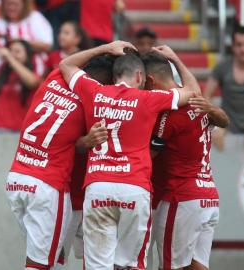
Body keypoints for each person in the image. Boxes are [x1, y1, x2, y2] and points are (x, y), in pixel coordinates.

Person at [59, 41, 195, 270]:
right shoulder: (149, 99)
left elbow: (66, 64)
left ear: (114, 77)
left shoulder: (95, 92)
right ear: (140, 76)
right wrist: (174, 59)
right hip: (134, 188)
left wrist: (105, 48)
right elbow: (192, 92)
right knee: (132, 264)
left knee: (97, 265)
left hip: (98, 187)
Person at [6, 55, 117, 270]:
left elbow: (67, 62)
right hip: (48, 186)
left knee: (48, 257)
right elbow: (77, 143)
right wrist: (88, 141)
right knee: (40, 263)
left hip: (17, 179)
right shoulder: (92, 101)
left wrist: (106, 48)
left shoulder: (54, 79)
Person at [144, 46, 229, 270]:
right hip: (208, 196)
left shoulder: (169, 113)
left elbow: (149, 156)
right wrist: (175, 57)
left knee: (172, 266)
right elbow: (223, 120)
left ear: (150, 81)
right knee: (197, 266)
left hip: (181, 198)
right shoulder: (196, 100)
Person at [0, 0, 53, 75]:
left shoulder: (35, 17)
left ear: (24, 5)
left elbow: (47, 46)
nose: (11, 7)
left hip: (33, 71)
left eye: (15, 4)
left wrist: (21, 41)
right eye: (8, 4)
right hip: (1, 74)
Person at [0, 39, 41, 132]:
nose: (12, 54)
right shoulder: (1, 72)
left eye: (17, 51)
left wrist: (9, 57)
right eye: (10, 51)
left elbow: (32, 82)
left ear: (27, 55)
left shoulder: (32, 73)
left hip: (18, 130)